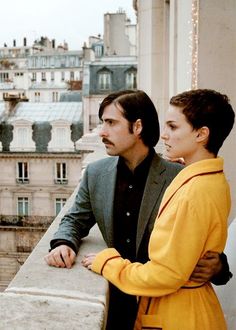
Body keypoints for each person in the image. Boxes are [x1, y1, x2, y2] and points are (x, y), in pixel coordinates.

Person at [45, 90, 232, 330]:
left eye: (111, 123)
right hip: (115, 301)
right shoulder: (95, 174)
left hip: (162, 300)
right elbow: (74, 218)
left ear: (138, 127)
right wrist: (64, 243)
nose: (102, 132)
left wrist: (219, 265)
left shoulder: (181, 177)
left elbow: (199, 238)